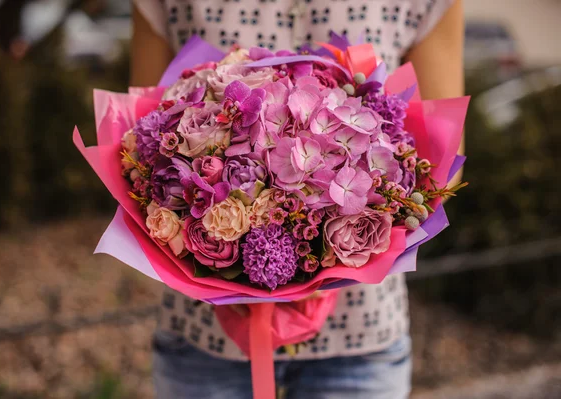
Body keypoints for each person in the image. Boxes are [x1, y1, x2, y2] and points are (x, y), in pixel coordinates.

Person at [131, 1, 464, 398]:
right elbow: (142, 140)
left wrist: (328, 263)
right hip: (205, 339)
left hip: (359, 340)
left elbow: (444, 156)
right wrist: (227, 272)